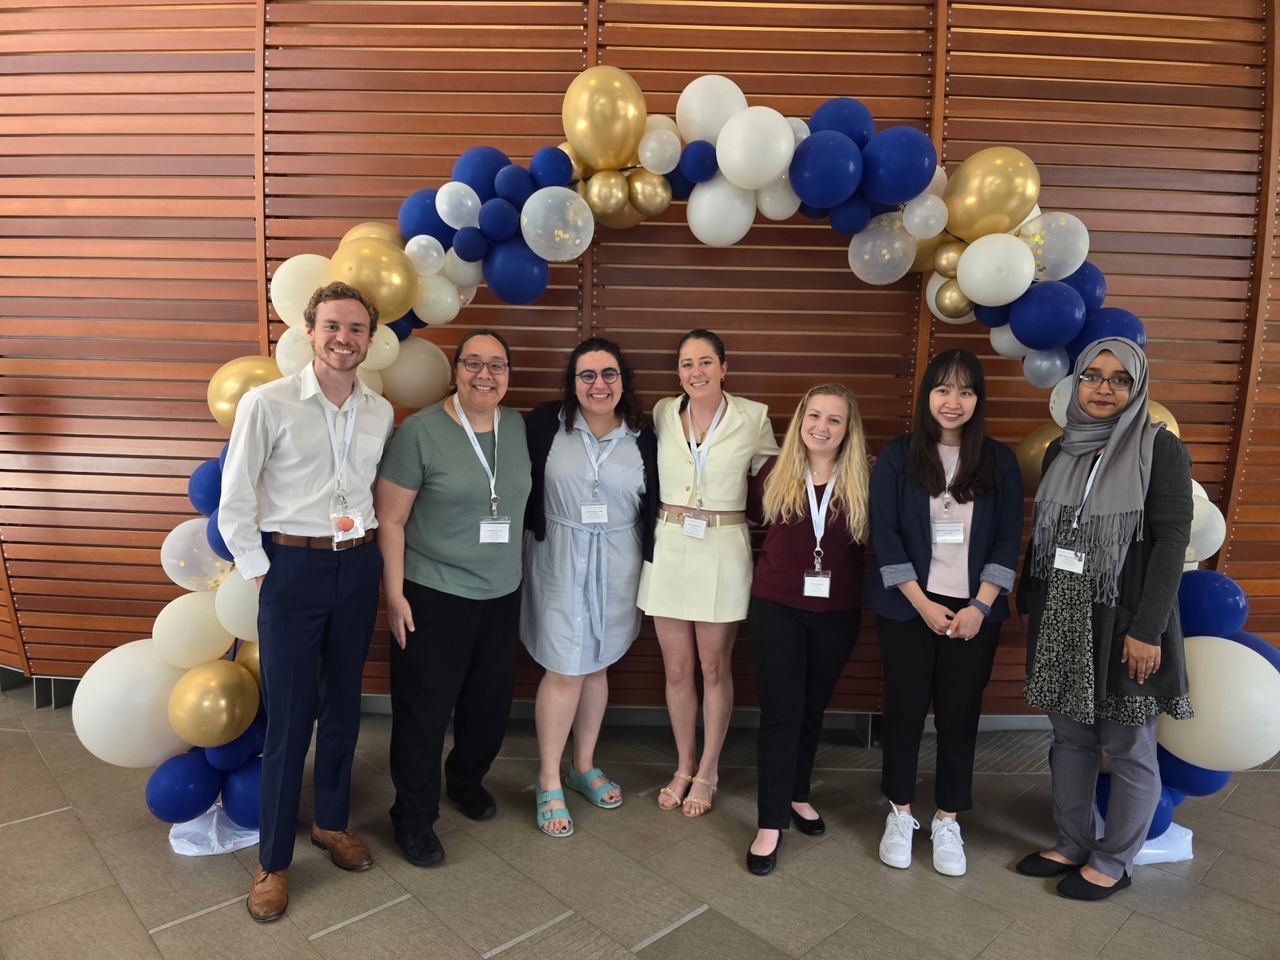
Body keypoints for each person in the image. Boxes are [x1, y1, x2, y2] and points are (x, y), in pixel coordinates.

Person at [219, 281, 394, 922]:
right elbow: (235, 498)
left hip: (359, 563)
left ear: (369, 340)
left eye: (355, 329)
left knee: (344, 705)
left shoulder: (379, 410)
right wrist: (264, 571)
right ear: (309, 331)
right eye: (332, 327)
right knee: (291, 716)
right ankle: (272, 861)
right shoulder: (268, 403)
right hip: (291, 568)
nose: (343, 339)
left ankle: (331, 821)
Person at [1016, 337, 1193, 901]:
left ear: (1137, 388)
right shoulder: (1061, 449)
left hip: (1124, 619)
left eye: (1120, 379)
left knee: (1127, 744)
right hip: (1063, 609)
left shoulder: (1158, 448)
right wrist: (1030, 602)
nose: (1104, 388)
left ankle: (1114, 860)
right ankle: (1071, 842)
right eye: (1093, 376)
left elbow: (1171, 542)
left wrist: (1147, 629)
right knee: (1068, 738)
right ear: (1076, 383)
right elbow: (1046, 535)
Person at [375, 330, 531, 867]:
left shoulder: (519, 428)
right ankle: (413, 819)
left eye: (497, 365)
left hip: (501, 593)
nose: (485, 375)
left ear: (508, 374)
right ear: (456, 371)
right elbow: (391, 519)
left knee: (488, 709)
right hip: (433, 594)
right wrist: (393, 594)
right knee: (424, 713)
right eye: (474, 364)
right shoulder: (420, 431)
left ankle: (465, 782)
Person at [866, 349, 1023, 878]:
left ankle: (949, 818)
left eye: (965, 390)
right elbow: (884, 535)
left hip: (976, 613)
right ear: (927, 395)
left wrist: (981, 605)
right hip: (909, 606)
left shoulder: (999, 460)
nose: (952, 401)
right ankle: (901, 813)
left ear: (978, 399)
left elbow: (1007, 541)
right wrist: (921, 601)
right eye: (942, 389)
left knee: (960, 716)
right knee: (905, 711)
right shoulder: (898, 455)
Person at [637, 329, 779, 817]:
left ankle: (710, 769)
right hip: (671, 543)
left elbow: (776, 484)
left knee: (714, 667)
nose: (694, 372)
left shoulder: (753, 417)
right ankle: (684, 764)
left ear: (724, 367)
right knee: (676, 669)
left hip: (723, 547)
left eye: (704, 362)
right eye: (685, 364)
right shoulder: (661, 412)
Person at [522, 338, 658, 837]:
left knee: (597, 664)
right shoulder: (545, 424)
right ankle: (547, 780)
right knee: (564, 668)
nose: (598, 385)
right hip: (558, 555)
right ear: (572, 382)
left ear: (623, 381)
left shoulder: (645, 435)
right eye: (587, 375)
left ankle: (582, 766)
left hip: (619, 560)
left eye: (608, 374)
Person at [744, 384, 871, 876]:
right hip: (777, 607)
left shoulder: (863, 477)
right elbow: (754, 520)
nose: (821, 426)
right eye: (813, 415)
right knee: (781, 713)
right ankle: (770, 821)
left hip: (837, 612)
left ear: (847, 429)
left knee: (813, 708)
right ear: (800, 420)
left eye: (834, 419)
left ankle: (797, 794)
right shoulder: (776, 471)